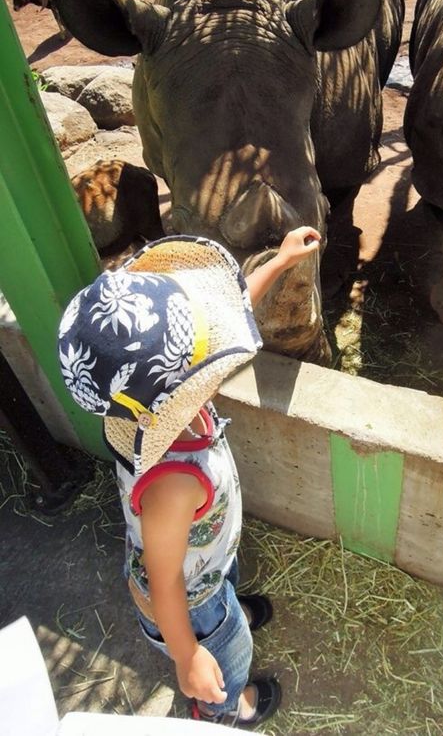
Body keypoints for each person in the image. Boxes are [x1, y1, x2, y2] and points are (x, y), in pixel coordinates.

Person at [57, 227, 321, 728]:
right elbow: (164, 583)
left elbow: (231, 312)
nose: (215, 359)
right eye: (205, 360)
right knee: (227, 659)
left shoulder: (150, 409)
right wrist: (187, 657)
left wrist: (281, 262)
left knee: (224, 583)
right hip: (190, 599)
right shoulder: (172, 485)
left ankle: (229, 613)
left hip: (207, 561)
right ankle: (224, 706)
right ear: (181, 384)